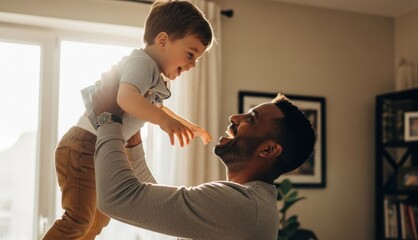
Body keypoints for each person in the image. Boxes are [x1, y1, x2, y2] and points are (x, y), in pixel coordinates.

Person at [42, 1, 214, 239]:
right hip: (83, 145)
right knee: (78, 219)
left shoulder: (152, 77)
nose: (193, 64)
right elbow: (126, 98)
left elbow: (154, 106)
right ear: (162, 41)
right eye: (190, 54)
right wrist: (164, 122)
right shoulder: (142, 63)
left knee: (99, 219)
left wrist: (185, 124)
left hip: (96, 148)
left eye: (197, 59)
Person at [88, 69, 316, 239]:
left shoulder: (241, 206)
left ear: (269, 150)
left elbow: (117, 198)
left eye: (251, 119)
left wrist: (107, 118)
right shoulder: (249, 203)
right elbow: (161, 207)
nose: (235, 118)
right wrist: (133, 143)